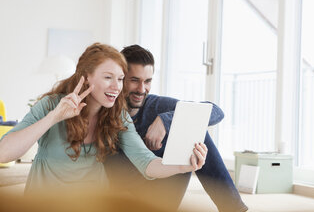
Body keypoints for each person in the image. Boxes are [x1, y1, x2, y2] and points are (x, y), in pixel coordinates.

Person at [0, 43, 207, 194]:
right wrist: (54, 117)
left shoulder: (117, 114)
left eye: (120, 79)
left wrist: (183, 166)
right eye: (108, 77)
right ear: (86, 76)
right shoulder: (51, 105)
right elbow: (4, 153)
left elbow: (146, 162)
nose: (117, 87)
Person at [104, 45, 248, 212]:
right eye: (134, 80)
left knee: (197, 129)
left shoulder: (156, 105)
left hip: (161, 192)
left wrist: (165, 120)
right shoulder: (104, 110)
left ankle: (233, 208)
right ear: (121, 78)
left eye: (148, 81)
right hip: (119, 196)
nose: (142, 89)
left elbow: (216, 111)